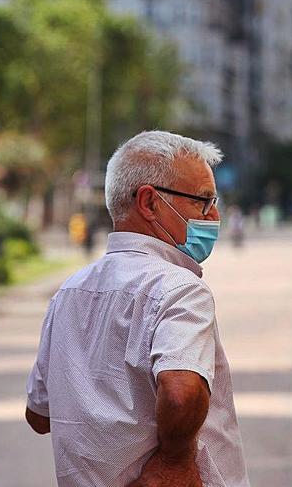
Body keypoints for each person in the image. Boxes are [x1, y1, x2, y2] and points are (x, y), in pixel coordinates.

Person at [24, 131, 245, 487]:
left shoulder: (68, 292)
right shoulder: (179, 289)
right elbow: (181, 393)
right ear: (150, 203)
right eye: (203, 201)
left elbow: (39, 414)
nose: (214, 215)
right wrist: (174, 462)